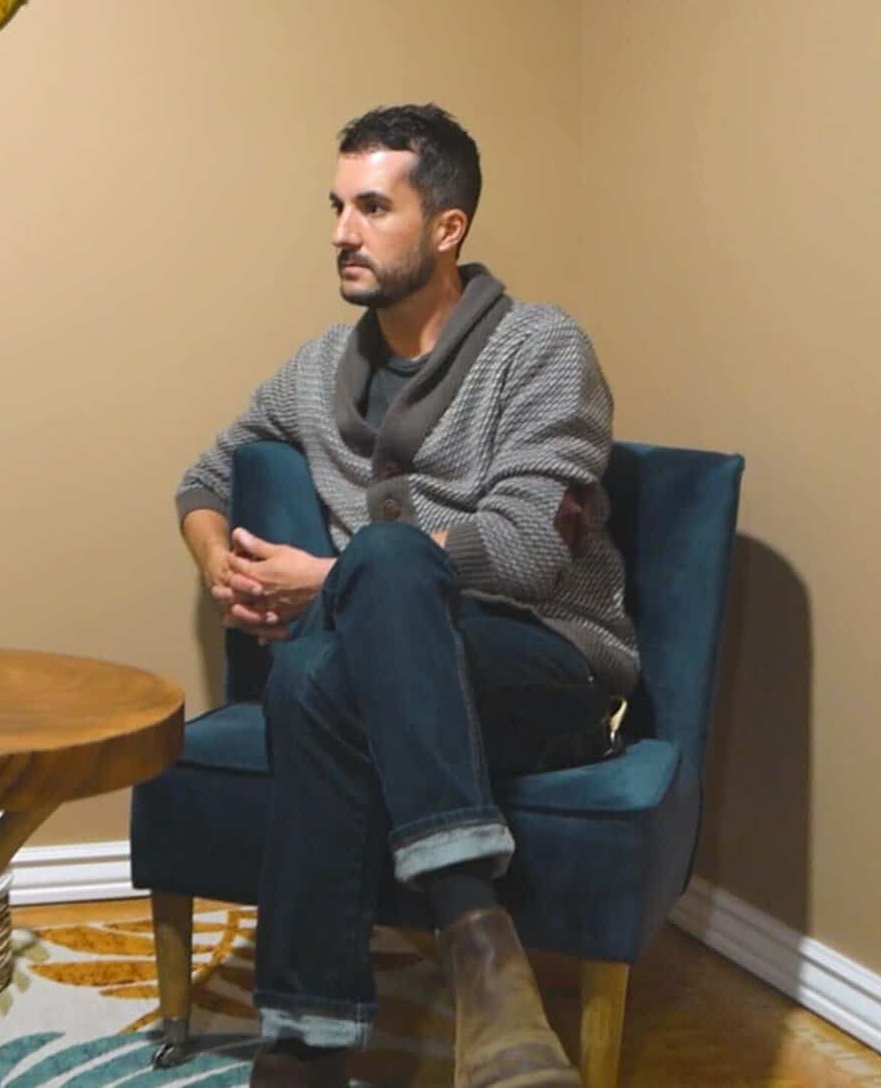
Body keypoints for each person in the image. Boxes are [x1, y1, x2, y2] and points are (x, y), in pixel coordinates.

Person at [176, 105, 633, 1088]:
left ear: (447, 227)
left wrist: (331, 579)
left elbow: (520, 553)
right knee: (312, 677)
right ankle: (443, 966)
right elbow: (204, 480)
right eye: (338, 205)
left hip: (542, 666)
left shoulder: (542, 348)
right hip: (378, 673)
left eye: (374, 205)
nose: (343, 228)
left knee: (375, 571)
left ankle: (313, 1036)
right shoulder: (314, 373)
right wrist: (217, 558)